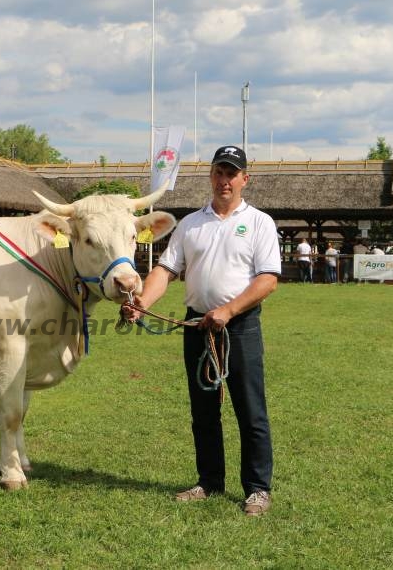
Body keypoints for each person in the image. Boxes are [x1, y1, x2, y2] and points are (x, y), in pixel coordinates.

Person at [122, 145, 281, 517]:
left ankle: (257, 488)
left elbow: (268, 280)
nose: (224, 180)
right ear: (211, 176)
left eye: (232, 173)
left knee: (250, 410)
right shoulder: (191, 224)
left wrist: (228, 310)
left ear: (245, 179)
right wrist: (142, 301)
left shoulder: (259, 222)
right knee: (203, 411)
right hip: (196, 325)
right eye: (219, 172)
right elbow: (165, 271)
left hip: (238, 327)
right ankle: (209, 481)